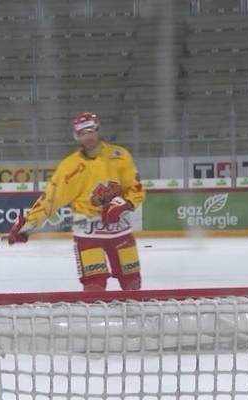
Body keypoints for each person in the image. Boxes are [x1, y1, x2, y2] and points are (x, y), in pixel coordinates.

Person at [8, 112, 146, 291]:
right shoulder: (70, 166)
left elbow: (135, 189)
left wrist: (123, 205)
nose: (87, 137)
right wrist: (28, 224)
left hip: (121, 232)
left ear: (97, 130)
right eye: (82, 133)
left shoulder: (119, 155)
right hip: (88, 236)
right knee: (93, 288)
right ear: (77, 136)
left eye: (90, 131)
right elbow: (50, 199)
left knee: (133, 285)